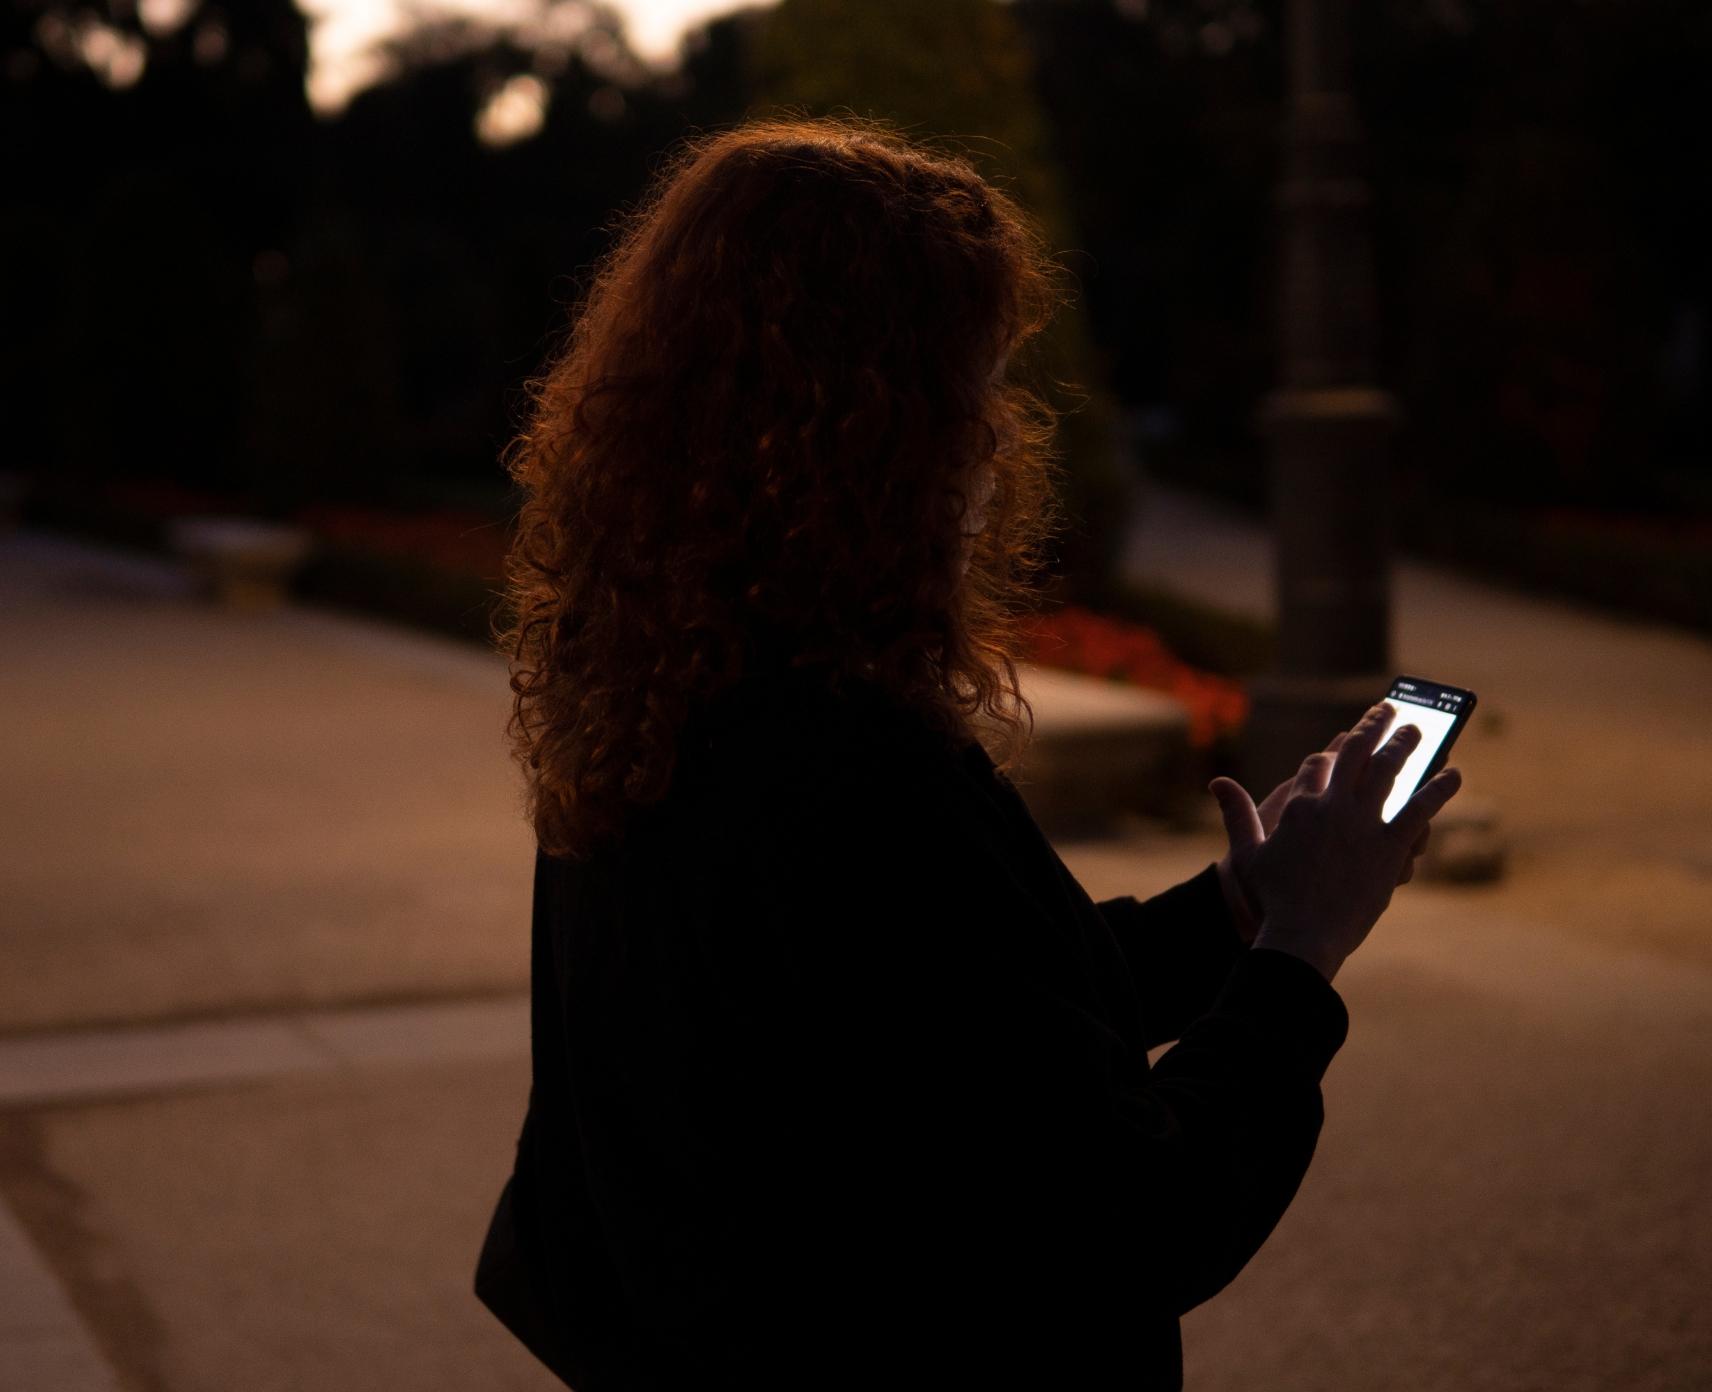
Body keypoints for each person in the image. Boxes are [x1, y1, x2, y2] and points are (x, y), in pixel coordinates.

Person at [472, 114, 1462, 1391]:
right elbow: (1142, 1218)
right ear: (884, 431)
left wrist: (1232, 911)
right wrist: (1299, 959)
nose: (1002, 433)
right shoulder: (849, 778)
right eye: (979, 384)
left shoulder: (676, 696)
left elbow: (962, 1013)